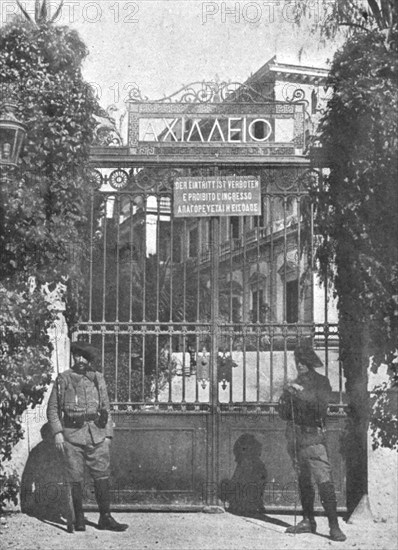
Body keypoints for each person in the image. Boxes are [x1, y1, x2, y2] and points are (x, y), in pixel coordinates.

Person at [47, 341, 128, 533]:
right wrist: (57, 433)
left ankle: (105, 517)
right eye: (77, 356)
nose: (80, 360)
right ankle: (78, 517)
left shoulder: (98, 378)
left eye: (84, 357)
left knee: (102, 474)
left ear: (89, 359)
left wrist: (108, 434)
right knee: (74, 475)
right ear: (73, 357)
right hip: (72, 436)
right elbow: (52, 409)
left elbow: (106, 408)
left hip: (97, 435)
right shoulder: (63, 379)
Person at [278, 342, 346, 542]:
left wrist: (298, 392)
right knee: (303, 479)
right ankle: (308, 520)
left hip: (313, 437)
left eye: (303, 361)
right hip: (295, 436)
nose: (299, 365)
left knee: (323, 479)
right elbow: (283, 414)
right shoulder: (295, 383)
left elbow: (320, 407)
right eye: (297, 361)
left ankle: (334, 526)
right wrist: (285, 397)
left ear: (310, 362)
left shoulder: (321, 382)